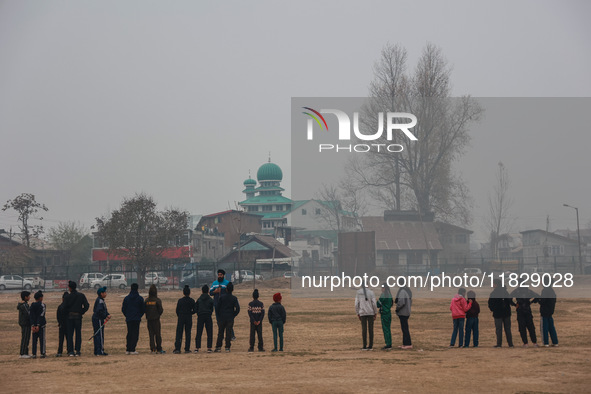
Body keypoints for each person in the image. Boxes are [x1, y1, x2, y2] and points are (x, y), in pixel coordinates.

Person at [64, 280, 89, 357]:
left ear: (70, 288)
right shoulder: (81, 295)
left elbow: (64, 307)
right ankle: (78, 350)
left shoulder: (67, 296)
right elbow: (86, 305)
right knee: (78, 334)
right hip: (78, 317)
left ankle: (71, 351)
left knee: (70, 334)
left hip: (70, 317)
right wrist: (81, 311)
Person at [488, 280, 514, 348]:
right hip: (506, 312)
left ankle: (499, 344)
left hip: (497, 313)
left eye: (493, 284)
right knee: (508, 329)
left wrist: (492, 309)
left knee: (499, 329)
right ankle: (510, 344)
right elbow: (510, 301)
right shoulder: (505, 292)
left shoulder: (493, 293)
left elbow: (490, 303)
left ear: (496, 284)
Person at [214, 282, 240, 352]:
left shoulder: (221, 297)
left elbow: (217, 307)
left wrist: (219, 315)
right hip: (230, 317)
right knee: (228, 333)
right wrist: (233, 315)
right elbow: (238, 309)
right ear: (232, 290)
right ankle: (227, 347)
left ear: (226, 289)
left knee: (220, 332)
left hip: (222, 317)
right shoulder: (234, 298)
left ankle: (218, 347)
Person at [210, 269, 234, 339]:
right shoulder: (214, 283)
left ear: (223, 275)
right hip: (217, 304)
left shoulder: (227, 283)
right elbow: (210, 293)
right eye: (218, 275)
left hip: (225, 305)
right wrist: (215, 291)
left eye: (221, 275)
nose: (219, 276)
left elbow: (230, 293)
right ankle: (221, 335)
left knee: (227, 321)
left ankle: (231, 335)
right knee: (219, 321)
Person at [122, 283, 145, 355]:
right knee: (135, 334)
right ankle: (132, 349)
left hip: (129, 318)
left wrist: (127, 315)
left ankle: (128, 349)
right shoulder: (140, 298)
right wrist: (139, 315)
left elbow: (123, 309)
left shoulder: (126, 298)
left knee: (129, 333)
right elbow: (143, 309)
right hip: (136, 318)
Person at [355, 285, 378, 351]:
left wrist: (357, 313)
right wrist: (375, 312)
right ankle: (370, 345)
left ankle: (364, 345)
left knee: (364, 330)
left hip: (362, 313)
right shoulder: (371, 292)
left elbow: (356, 304)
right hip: (370, 312)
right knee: (371, 330)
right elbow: (374, 303)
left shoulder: (358, 292)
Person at [174, 285, 195, 354]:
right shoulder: (191, 301)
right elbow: (195, 310)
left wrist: (179, 315)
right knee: (188, 333)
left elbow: (177, 310)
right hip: (188, 317)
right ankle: (187, 348)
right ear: (189, 293)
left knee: (179, 333)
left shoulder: (180, 301)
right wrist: (191, 313)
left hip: (181, 317)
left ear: (183, 292)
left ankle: (177, 348)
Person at [145, 284, 165, 354]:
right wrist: (157, 315)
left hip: (149, 320)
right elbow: (161, 310)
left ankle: (152, 349)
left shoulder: (146, 300)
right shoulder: (158, 300)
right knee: (158, 334)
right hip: (156, 320)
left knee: (151, 335)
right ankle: (159, 348)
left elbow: (144, 309)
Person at [194, 284, 214, 353]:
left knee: (199, 332)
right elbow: (212, 308)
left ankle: (197, 347)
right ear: (208, 291)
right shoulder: (210, 299)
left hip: (200, 316)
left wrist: (198, 312)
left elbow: (196, 308)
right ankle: (209, 347)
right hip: (208, 315)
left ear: (202, 291)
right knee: (209, 332)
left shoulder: (199, 299)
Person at [92, 287, 111, 356]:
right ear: (101, 293)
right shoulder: (100, 301)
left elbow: (104, 310)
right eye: (104, 292)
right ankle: (100, 351)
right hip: (98, 319)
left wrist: (107, 314)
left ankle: (97, 351)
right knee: (99, 335)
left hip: (98, 319)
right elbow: (99, 311)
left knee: (98, 334)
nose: (106, 294)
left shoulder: (101, 300)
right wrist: (105, 316)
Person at [30, 290, 47, 359]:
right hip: (41, 325)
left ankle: (34, 353)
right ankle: (42, 353)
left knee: (34, 340)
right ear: (40, 298)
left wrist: (33, 325)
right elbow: (41, 315)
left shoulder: (32, 305)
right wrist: (38, 324)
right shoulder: (43, 305)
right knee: (42, 339)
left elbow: (31, 315)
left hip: (34, 326)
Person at [395, 285, 413, 349]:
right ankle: (405, 343)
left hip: (403, 312)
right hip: (407, 312)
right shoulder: (407, 291)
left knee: (405, 328)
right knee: (404, 328)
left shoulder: (402, 291)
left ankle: (408, 344)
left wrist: (397, 309)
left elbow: (401, 302)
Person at [376, 284, 393, 350]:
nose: (381, 289)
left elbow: (378, 304)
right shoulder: (390, 295)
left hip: (384, 314)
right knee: (388, 329)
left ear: (384, 288)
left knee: (385, 329)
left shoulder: (383, 295)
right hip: (389, 313)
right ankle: (390, 342)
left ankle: (388, 344)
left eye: (382, 288)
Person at [17, 290, 32, 359]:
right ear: (25, 297)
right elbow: (28, 314)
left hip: (25, 323)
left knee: (27, 338)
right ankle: (22, 353)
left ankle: (26, 352)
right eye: (28, 296)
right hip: (25, 323)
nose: (29, 297)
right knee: (25, 338)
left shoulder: (24, 304)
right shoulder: (24, 305)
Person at [56, 291, 68, 357]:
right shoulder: (69, 307)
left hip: (61, 325)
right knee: (68, 338)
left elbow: (58, 316)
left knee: (61, 339)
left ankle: (59, 351)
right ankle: (69, 350)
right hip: (68, 325)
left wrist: (59, 322)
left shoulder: (60, 306)